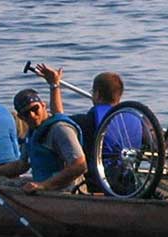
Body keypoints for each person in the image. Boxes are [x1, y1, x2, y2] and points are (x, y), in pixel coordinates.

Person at [32, 64, 139, 193]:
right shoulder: (135, 117)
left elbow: (59, 120)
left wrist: (54, 85)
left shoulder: (90, 120)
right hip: (129, 179)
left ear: (97, 94)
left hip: (99, 182)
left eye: (93, 92)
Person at [0, 86, 86, 195]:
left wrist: (44, 186)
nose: (32, 115)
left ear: (43, 106)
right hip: (42, 184)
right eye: (27, 113)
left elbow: (79, 165)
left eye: (35, 109)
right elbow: (21, 165)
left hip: (66, 190)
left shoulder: (60, 130)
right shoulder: (33, 131)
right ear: (21, 117)